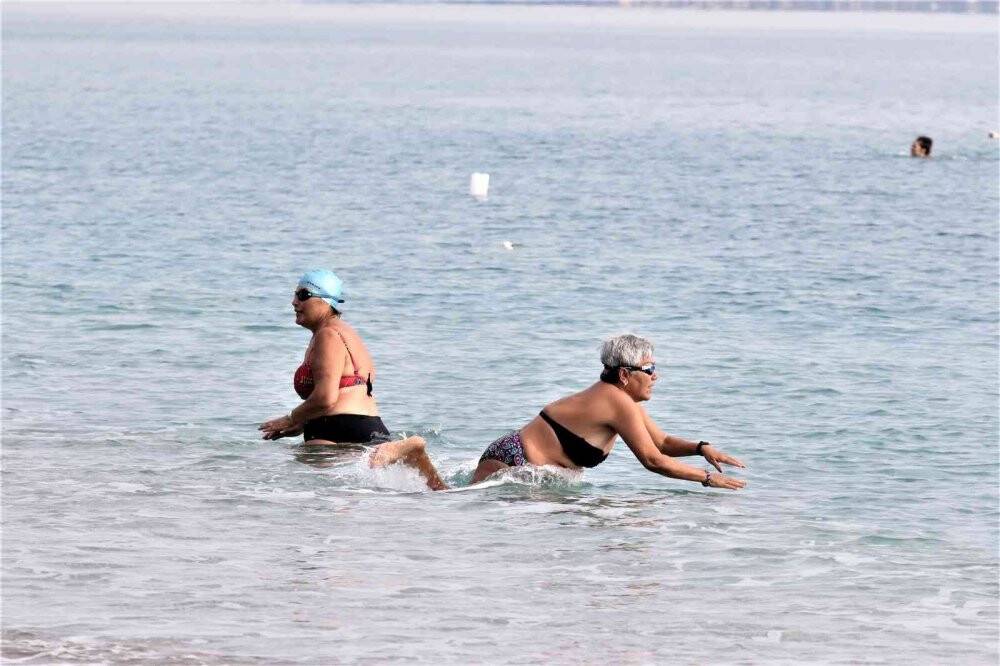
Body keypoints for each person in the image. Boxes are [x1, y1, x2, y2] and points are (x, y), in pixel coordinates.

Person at [375, 334, 747, 491]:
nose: (656, 376)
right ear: (624, 374)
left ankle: (415, 454)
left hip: (519, 459)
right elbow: (652, 460)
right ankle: (415, 450)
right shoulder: (617, 402)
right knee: (443, 501)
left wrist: (701, 447)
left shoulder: (620, 401)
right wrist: (705, 480)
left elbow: (662, 442)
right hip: (514, 459)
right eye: (649, 370)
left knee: (449, 496)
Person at [259, 269, 446, 489]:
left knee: (318, 491)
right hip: (365, 426)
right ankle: (410, 450)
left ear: (326, 301)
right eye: (294, 294)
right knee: (436, 493)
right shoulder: (344, 333)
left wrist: (290, 417)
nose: (293, 302)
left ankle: (412, 446)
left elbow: (326, 398)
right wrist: (302, 423)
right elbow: (347, 390)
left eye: (303, 295)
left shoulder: (327, 335)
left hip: (336, 428)